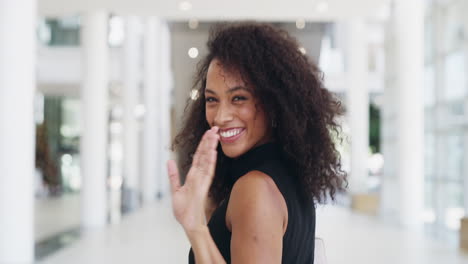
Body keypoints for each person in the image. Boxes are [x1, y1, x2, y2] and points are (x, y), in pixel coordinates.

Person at [167, 22, 347, 264]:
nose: (220, 117)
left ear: (274, 102)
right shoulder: (283, 174)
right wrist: (196, 227)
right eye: (212, 100)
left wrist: (197, 230)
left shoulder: (255, 189)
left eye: (239, 98)